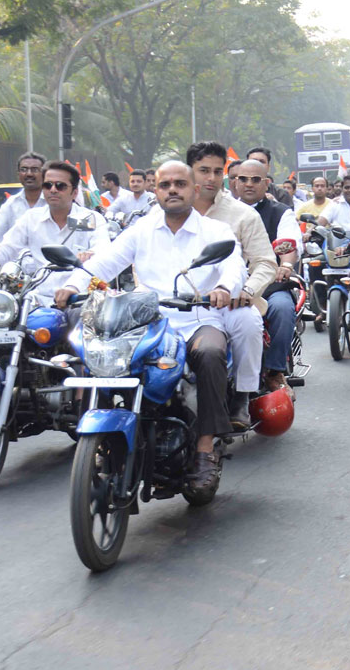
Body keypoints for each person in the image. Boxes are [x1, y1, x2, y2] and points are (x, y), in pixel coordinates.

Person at [55, 161, 245, 496]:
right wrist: (74, 283)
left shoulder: (215, 232)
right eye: (165, 184)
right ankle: (107, 433)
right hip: (146, 323)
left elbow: (233, 266)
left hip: (197, 320)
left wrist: (224, 289)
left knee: (212, 353)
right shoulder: (141, 229)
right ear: (155, 191)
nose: (173, 190)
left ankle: (204, 448)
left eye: (180, 184)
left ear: (194, 189)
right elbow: (106, 260)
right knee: (101, 350)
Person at [187, 141, 277, 429]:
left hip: (230, 303)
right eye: (203, 171)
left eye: (217, 171)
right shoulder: (171, 209)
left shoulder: (242, 215)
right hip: (180, 302)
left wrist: (246, 291)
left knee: (249, 323)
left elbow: (265, 262)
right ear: (190, 172)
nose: (210, 178)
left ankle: (242, 396)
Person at [0, 161, 109, 303]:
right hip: (39, 299)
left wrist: (90, 255)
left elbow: (102, 251)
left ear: (74, 192)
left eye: (60, 186)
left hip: (80, 299)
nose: (53, 190)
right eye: (47, 185)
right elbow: (7, 248)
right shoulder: (31, 218)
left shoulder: (92, 218)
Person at [232, 159, 303, 395]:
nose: (248, 184)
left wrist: (286, 265)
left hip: (270, 285)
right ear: (235, 182)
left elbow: (290, 244)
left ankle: (274, 371)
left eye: (255, 180)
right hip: (229, 286)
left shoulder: (280, 212)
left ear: (266, 183)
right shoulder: (222, 212)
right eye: (243, 179)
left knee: (282, 309)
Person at [0, 152, 46, 246]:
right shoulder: (12, 204)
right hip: (15, 258)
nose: (29, 174)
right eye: (24, 169)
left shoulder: (53, 202)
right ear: (18, 174)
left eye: (34, 170)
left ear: (44, 174)